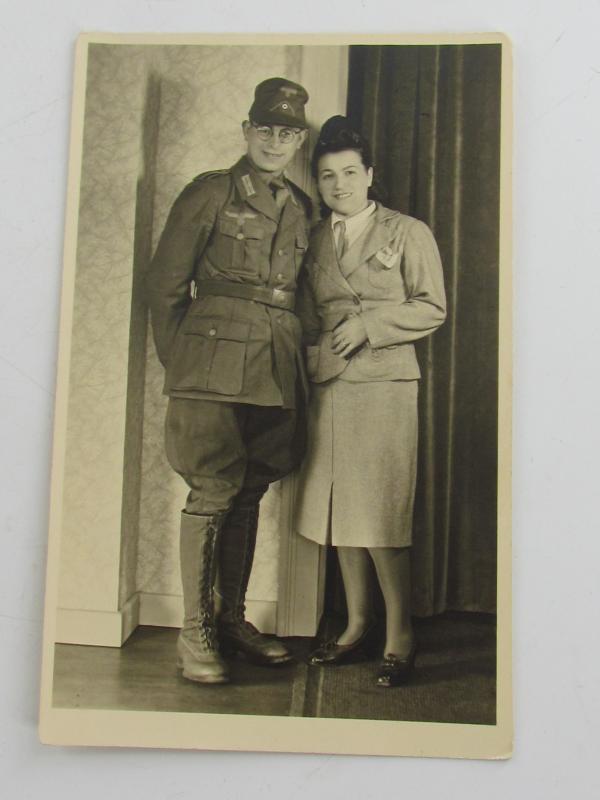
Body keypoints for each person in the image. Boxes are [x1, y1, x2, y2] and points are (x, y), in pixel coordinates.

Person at [147, 78, 311, 685]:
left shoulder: (300, 205)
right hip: (209, 368)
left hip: (275, 366)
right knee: (212, 490)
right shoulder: (211, 193)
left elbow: (299, 293)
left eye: (288, 132)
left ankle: (233, 620)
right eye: (265, 128)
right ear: (247, 131)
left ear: (298, 141)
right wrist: (184, 363)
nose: (275, 141)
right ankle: (196, 633)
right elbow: (165, 287)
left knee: (250, 491)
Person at [295, 116, 446, 687]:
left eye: (350, 173)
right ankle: (357, 628)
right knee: (340, 509)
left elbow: (432, 307)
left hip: (384, 385)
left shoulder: (408, 232)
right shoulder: (313, 239)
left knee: (380, 513)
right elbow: (307, 315)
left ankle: (400, 636)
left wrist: (370, 325)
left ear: (370, 175)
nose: (339, 185)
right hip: (329, 386)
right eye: (328, 176)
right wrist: (314, 360)